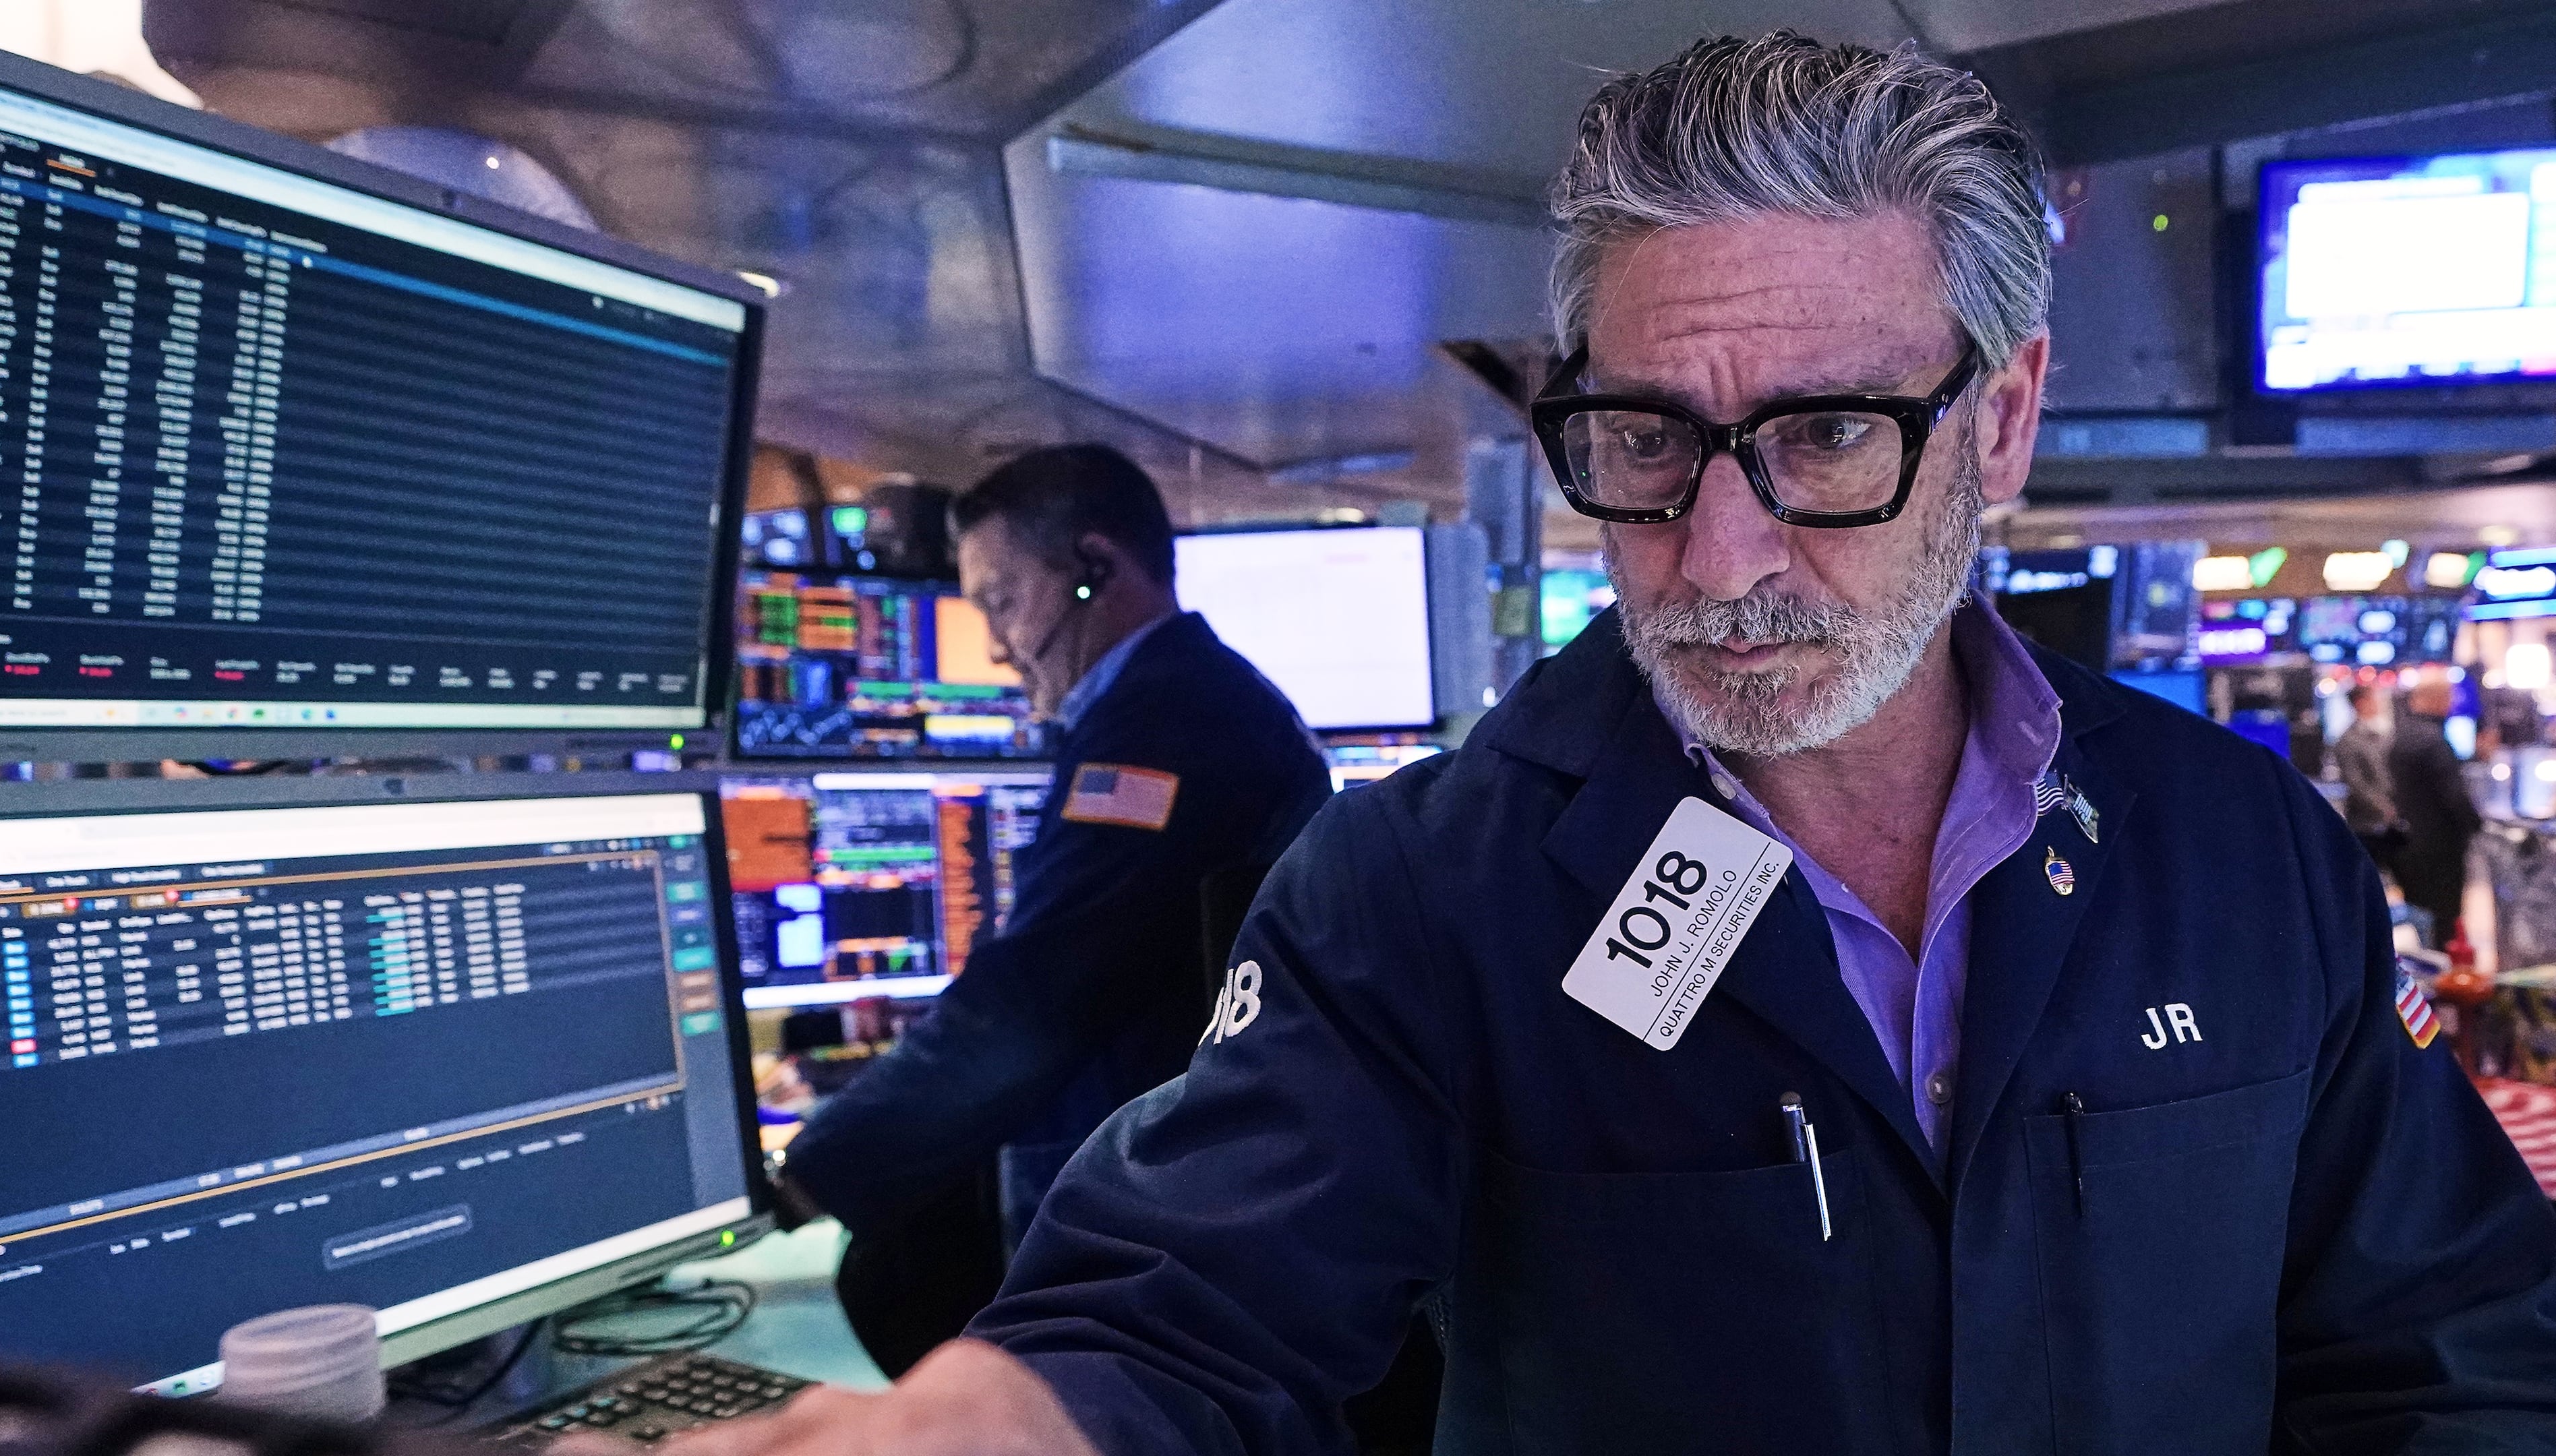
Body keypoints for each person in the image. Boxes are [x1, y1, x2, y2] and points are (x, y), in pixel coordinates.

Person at [610, 34, 2556, 1455]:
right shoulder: (1424, 888)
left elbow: (2446, 1340)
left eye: (1820, 439)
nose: (1718, 557)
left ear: (2006, 418)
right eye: (1644, 446)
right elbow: (1192, 1310)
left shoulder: (2235, 846)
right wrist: (1000, 1427)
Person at [775, 443, 1331, 1376]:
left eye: (1001, 599)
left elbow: (1039, 996)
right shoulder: (1184, 701)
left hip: (1163, 1220)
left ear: (1094, 570)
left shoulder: (1165, 727)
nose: (995, 643)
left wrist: (810, 1174)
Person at [2389, 672, 2485, 944]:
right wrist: (2475, 825)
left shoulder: (2403, 736)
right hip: (2440, 848)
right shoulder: (2434, 741)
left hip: (2410, 843)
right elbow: (2453, 796)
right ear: (2437, 698)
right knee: (2444, 920)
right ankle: (2443, 974)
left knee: (2421, 915)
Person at [2335, 679, 2403, 871]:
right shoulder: (2347, 740)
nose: (2379, 703)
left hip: (2392, 823)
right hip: (2366, 825)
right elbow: (2355, 783)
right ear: (2361, 703)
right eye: (2374, 699)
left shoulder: (2385, 735)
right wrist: (2385, 808)